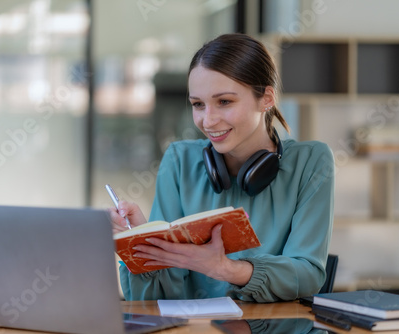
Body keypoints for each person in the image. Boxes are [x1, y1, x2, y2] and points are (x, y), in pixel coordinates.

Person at [108, 33, 335, 303]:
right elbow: (156, 299)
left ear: (266, 98)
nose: (208, 120)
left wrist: (226, 269)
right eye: (198, 105)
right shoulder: (179, 161)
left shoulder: (310, 162)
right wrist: (144, 247)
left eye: (224, 102)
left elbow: (308, 275)